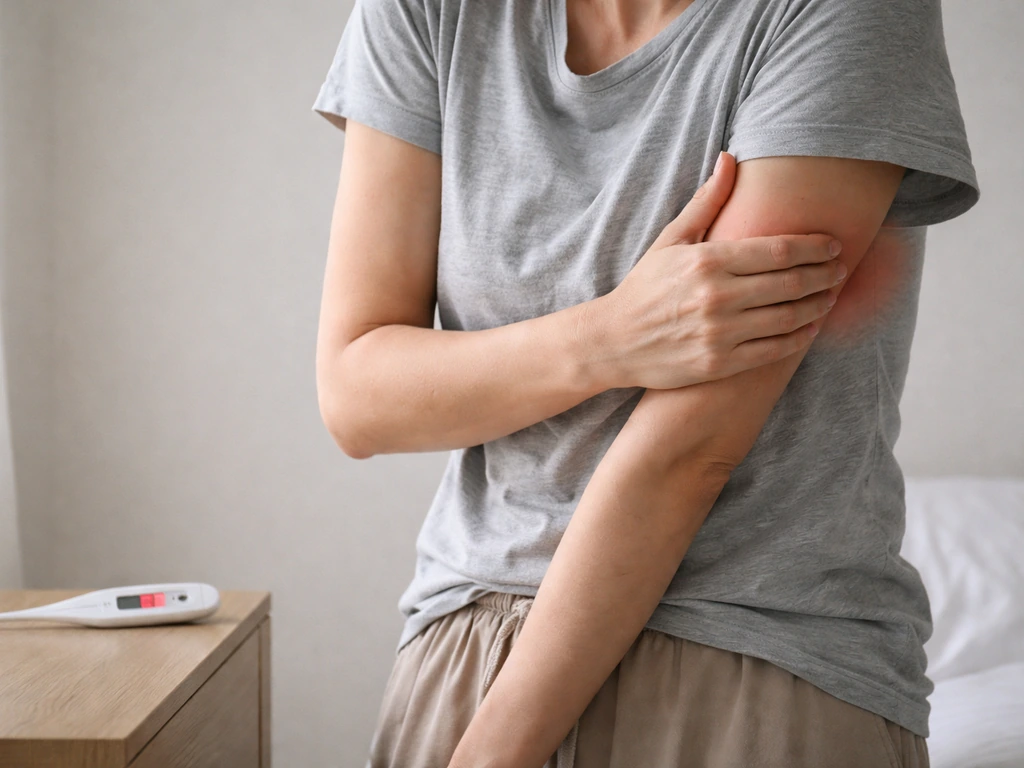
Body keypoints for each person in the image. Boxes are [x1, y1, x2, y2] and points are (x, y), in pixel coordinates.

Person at [312, 0, 979, 765]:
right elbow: (357, 398)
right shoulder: (427, 13)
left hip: (757, 659)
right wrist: (611, 338)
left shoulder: (847, 13)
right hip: (465, 644)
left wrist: (492, 755)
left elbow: (688, 456)